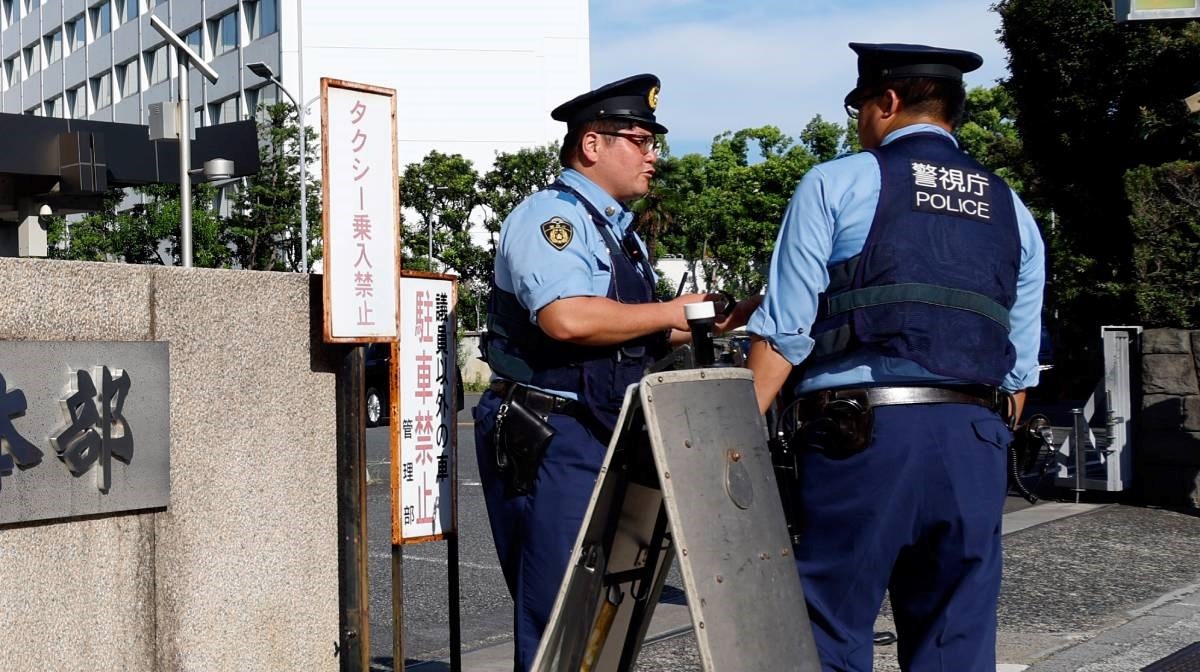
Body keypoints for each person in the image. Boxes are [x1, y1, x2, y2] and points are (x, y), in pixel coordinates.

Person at [746, 43, 1045, 672]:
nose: (859, 123)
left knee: (827, 627)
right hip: (976, 437)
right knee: (955, 639)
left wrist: (732, 441)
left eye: (860, 107)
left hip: (860, 435)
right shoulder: (1013, 210)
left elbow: (784, 333)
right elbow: (1019, 368)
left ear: (886, 102)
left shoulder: (836, 181)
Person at [474, 73, 750, 670]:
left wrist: (720, 321)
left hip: (609, 428)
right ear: (592, 145)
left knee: (610, 605)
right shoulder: (554, 219)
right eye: (640, 140)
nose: (654, 157)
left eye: (655, 143)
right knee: (558, 614)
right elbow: (567, 318)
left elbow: (639, 328)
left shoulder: (621, 233)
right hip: (551, 434)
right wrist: (671, 310)